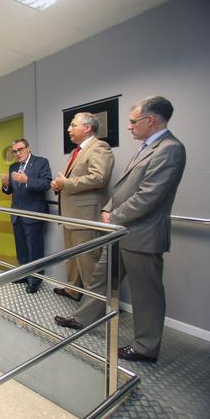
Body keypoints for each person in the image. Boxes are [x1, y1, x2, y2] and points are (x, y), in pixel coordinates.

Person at [55, 96, 186, 363]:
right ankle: (83, 318)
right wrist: (108, 208)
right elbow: (124, 187)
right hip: (120, 230)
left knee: (146, 293)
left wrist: (113, 216)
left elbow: (149, 196)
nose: (129, 127)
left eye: (133, 122)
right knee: (102, 278)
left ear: (151, 120)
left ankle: (145, 347)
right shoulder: (145, 147)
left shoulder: (170, 149)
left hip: (143, 234)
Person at [50, 112, 114, 301]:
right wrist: (59, 185)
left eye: (73, 125)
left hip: (85, 215)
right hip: (70, 215)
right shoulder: (75, 151)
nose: (69, 129)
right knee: (72, 258)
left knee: (88, 262)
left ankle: (93, 305)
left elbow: (99, 178)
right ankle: (73, 290)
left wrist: (66, 183)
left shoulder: (100, 147)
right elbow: (72, 180)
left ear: (87, 128)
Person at [1, 139, 52, 293]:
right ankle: (23, 274)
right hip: (17, 214)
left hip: (33, 213)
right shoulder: (13, 167)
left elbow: (46, 184)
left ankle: (35, 280)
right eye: (14, 151)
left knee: (34, 249)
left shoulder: (41, 162)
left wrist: (27, 180)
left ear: (28, 148)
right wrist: (5, 185)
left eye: (20, 149)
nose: (17, 153)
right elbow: (11, 191)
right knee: (21, 248)